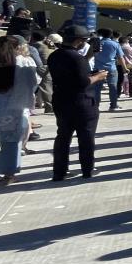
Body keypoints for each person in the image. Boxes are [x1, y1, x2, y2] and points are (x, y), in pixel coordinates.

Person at [48, 25, 107, 181]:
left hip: (61, 100)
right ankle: (87, 169)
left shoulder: (54, 55)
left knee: (63, 137)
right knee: (86, 137)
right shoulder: (76, 58)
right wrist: (98, 77)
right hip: (82, 102)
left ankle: (59, 171)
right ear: (79, 41)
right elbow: (82, 82)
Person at [0, 36, 41, 185]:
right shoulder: (22, 62)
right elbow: (33, 83)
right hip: (13, 107)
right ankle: (9, 174)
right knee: (11, 142)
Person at [90, 28, 124, 110]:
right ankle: (113, 105)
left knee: (97, 88)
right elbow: (120, 57)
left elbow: (92, 54)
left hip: (98, 68)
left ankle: (96, 106)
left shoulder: (97, 43)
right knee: (113, 87)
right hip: (111, 67)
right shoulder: (115, 44)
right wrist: (125, 68)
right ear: (111, 35)